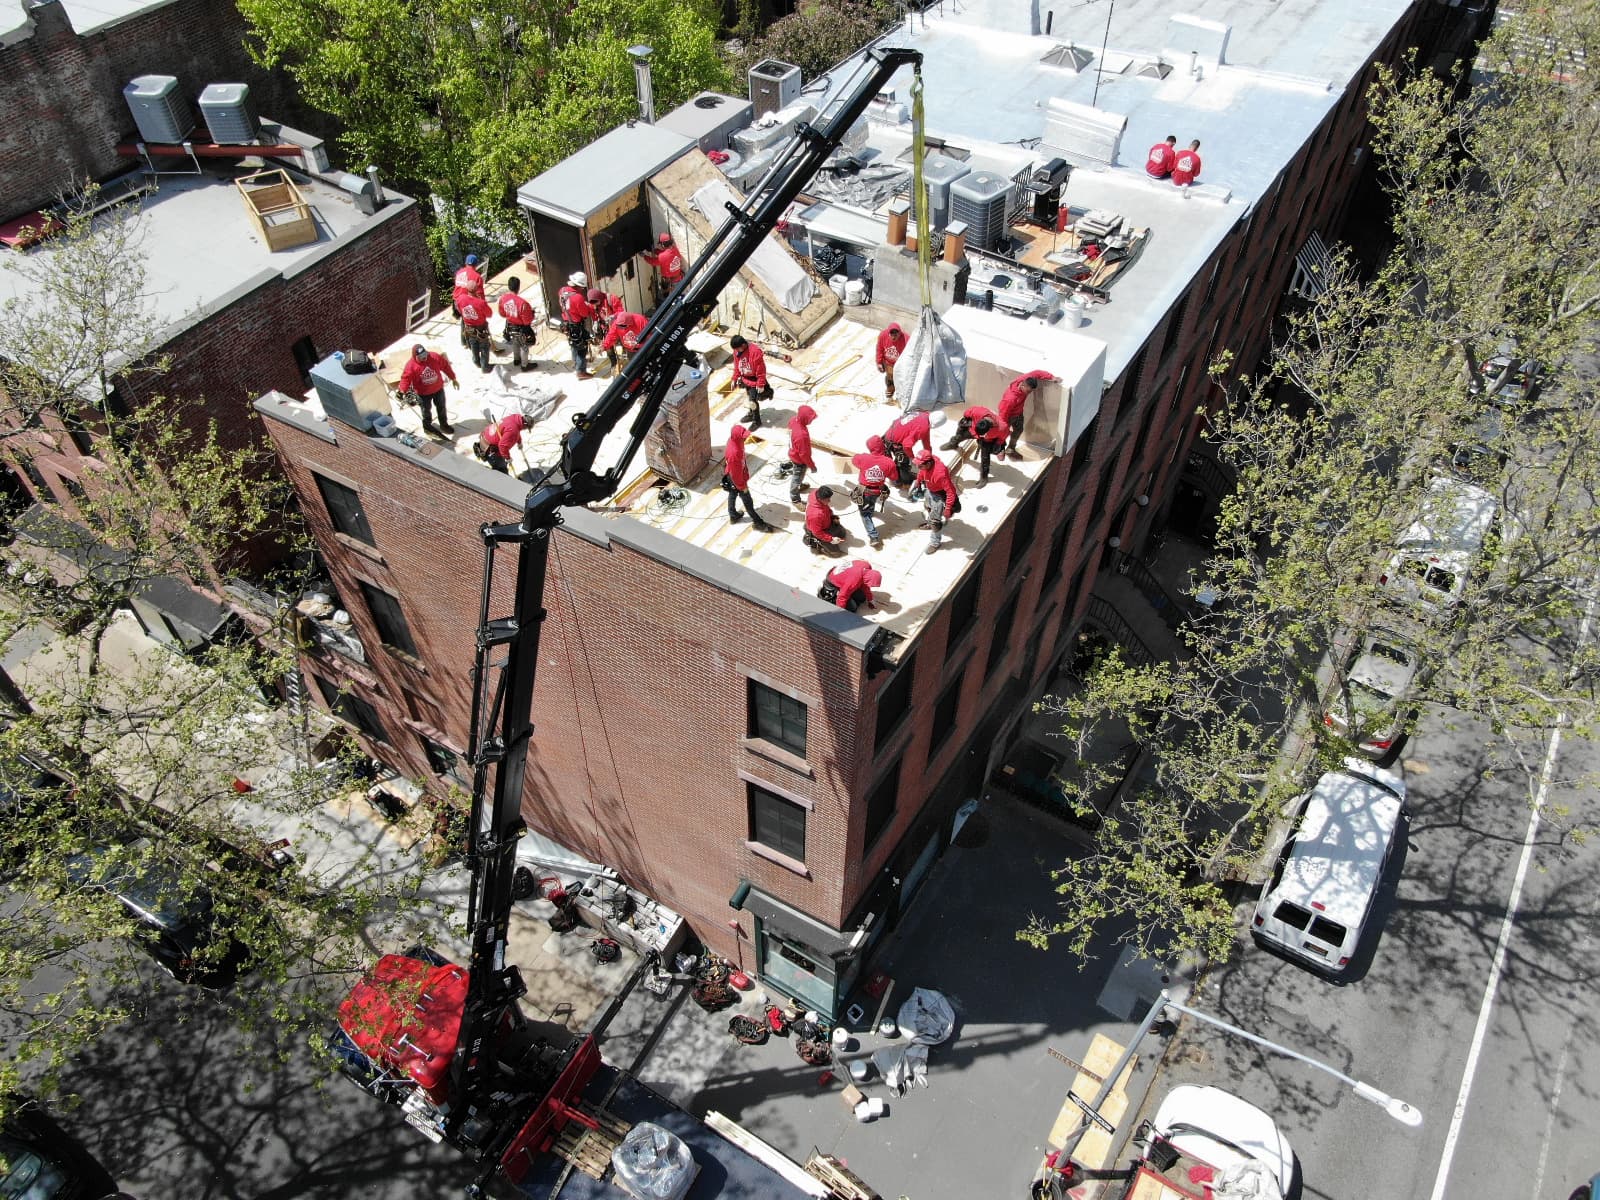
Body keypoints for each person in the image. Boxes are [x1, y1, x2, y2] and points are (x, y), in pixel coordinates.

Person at [723, 425, 777, 532]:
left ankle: (733, 515)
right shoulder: (734, 453)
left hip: (733, 476)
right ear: (738, 437)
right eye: (743, 437)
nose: (746, 438)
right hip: (736, 479)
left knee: (732, 494)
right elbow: (735, 474)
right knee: (747, 501)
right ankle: (758, 523)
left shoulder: (735, 441)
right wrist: (742, 486)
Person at [852, 434, 899, 550]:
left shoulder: (863, 458)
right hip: (878, 490)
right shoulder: (889, 462)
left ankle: (873, 536)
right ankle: (870, 510)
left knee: (865, 514)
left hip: (864, 491)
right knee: (871, 502)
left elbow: (854, 459)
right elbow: (894, 477)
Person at [397, 345, 457, 435]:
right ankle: (428, 427)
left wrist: (453, 378)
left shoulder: (434, 357)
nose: (424, 358)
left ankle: (444, 425)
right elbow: (406, 378)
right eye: (421, 357)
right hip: (423, 394)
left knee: (441, 408)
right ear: (415, 356)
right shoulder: (411, 366)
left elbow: (445, 366)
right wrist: (402, 390)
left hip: (438, 390)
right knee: (426, 411)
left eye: (425, 355)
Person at [942, 404, 1007, 483]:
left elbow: (1002, 437)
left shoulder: (1002, 428)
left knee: (985, 457)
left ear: (989, 429)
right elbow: (967, 413)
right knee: (961, 435)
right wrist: (966, 421)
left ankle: (984, 477)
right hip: (974, 431)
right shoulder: (979, 412)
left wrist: (997, 444)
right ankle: (952, 444)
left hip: (987, 440)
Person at [998, 370, 1055, 458]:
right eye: (1028, 391)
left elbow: (1037, 373)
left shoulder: (1025, 379)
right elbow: (1003, 412)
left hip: (1019, 414)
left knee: (1018, 430)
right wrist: (1004, 426)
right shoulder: (1010, 398)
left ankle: (1010, 449)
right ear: (1023, 385)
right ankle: (999, 450)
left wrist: (1052, 377)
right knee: (1002, 434)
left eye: (1031, 391)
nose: (1029, 393)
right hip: (1008, 416)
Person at [912, 449, 960, 553]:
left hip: (939, 496)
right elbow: (922, 472)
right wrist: (918, 481)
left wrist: (948, 508)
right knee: (928, 507)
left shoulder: (940, 474)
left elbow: (951, 492)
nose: (918, 467)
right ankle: (930, 524)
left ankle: (935, 543)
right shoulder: (926, 465)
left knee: (936, 522)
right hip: (930, 490)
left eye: (920, 465)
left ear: (928, 463)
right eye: (917, 465)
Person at [728, 335, 772, 428]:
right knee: (750, 397)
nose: (736, 351)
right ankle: (752, 414)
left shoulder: (755, 352)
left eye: (737, 349)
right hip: (746, 378)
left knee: (753, 402)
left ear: (743, 345)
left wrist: (760, 384)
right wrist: (734, 378)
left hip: (754, 380)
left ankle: (757, 421)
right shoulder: (737, 351)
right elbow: (737, 366)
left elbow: (761, 370)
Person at [558, 272, 596, 379]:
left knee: (573, 344)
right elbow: (584, 313)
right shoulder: (577, 297)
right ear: (578, 286)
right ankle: (580, 371)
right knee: (581, 348)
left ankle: (576, 363)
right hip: (576, 325)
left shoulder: (562, 291)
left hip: (566, 323)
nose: (582, 289)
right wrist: (588, 306)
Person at [882, 409, 932, 488]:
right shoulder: (923, 427)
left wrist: (929, 455)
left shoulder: (924, 415)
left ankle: (897, 476)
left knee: (895, 461)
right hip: (895, 441)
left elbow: (926, 442)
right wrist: (912, 458)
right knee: (904, 464)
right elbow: (906, 445)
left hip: (889, 434)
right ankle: (905, 483)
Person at [497, 276, 537, 370]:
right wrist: (532, 314)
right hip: (521, 328)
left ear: (509, 286)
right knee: (524, 347)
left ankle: (516, 359)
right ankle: (525, 365)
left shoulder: (503, 299)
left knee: (515, 343)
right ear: (518, 287)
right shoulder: (523, 303)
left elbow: (502, 313)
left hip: (510, 326)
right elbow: (527, 320)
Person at [781, 404, 817, 503]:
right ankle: (795, 498)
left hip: (793, 453)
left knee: (799, 475)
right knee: (797, 478)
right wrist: (812, 466)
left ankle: (799, 485)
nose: (811, 421)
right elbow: (804, 455)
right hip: (799, 460)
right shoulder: (802, 435)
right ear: (804, 419)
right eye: (810, 419)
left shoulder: (793, 420)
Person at [803, 485, 847, 556]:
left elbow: (826, 508)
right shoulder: (815, 515)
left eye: (829, 498)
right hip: (818, 531)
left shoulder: (817, 493)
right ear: (820, 499)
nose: (829, 501)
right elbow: (817, 533)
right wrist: (831, 539)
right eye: (827, 499)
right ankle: (821, 547)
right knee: (836, 553)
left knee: (842, 533)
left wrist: (832, 517)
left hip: (825, 523)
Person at [588, 288, 625, 367]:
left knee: (623, 342)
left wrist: (613, 317)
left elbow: (621, 312)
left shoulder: (611, 299)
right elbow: (593, 314)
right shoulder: (593, 304)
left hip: (616, 325)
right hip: (605, 327)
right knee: (608, 347)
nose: (595, 304)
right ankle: (614, 364)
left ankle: (626, 358)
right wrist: (595, 322)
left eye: (596, 302)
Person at [458, 289, 493, 372]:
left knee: (473, 343)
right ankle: (485, 367)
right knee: (484, 346)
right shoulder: (480, 302)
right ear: (476, 290)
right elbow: (489, 314)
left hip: (469, 327)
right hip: (481, 328)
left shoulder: (461, 299)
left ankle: (476, 361)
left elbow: (459, 310)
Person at [875, 322, 907, 400]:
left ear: (899, 333)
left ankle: (901, 397)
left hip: (901, 364)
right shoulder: (883, 335)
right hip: (889, 363)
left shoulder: (906, 339)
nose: (893, 337)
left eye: (896, 335)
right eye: (891, 335)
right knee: (890, 379)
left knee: (901, 381)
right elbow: (879, 349)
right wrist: (879, 362)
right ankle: (890, 396)